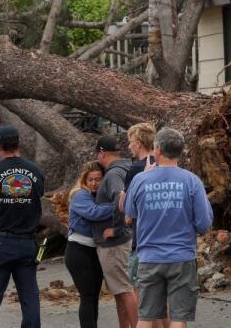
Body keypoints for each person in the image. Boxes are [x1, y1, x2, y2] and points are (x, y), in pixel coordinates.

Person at [124, 127, 213, 328]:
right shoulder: (191, 181)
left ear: (157, 150)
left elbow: (130, 213)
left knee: (145, 317)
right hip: (181, 256)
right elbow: (204, 223)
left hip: (149, 257)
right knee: (179, 317)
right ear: (180, 151)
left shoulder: (140, 180)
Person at [0, 124, 45, 328]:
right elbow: (38, 196)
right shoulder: (35, 171)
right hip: (27, 242)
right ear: (18, 143)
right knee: (29, 297)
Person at [94, 135, 138, 328]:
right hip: (125, 239)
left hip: (115, 244)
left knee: (125, 289)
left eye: (97, 154)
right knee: (119, 291)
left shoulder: (113, 174)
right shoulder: (128, 168)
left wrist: (117, 229)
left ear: (102, 153)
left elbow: (120, 198)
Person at [64, 161, 112, 328]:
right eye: (90, 179)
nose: (93, 183)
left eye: (97, 179)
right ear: (84, 180)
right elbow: (94, 213)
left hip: (94, 251)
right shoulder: (80, 195)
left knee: (94, 297)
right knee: (87, 296)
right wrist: (117, 205)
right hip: (78, 251)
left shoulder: (98, 196)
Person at [121, 123, 157, 287]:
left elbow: (127, 212)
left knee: (139, 289)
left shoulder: (136, 169)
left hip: (142, 238)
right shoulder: (164, 163)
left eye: (130, 142)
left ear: (138, 143)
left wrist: (122, 195)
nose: (129, 147)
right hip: (166, 240)